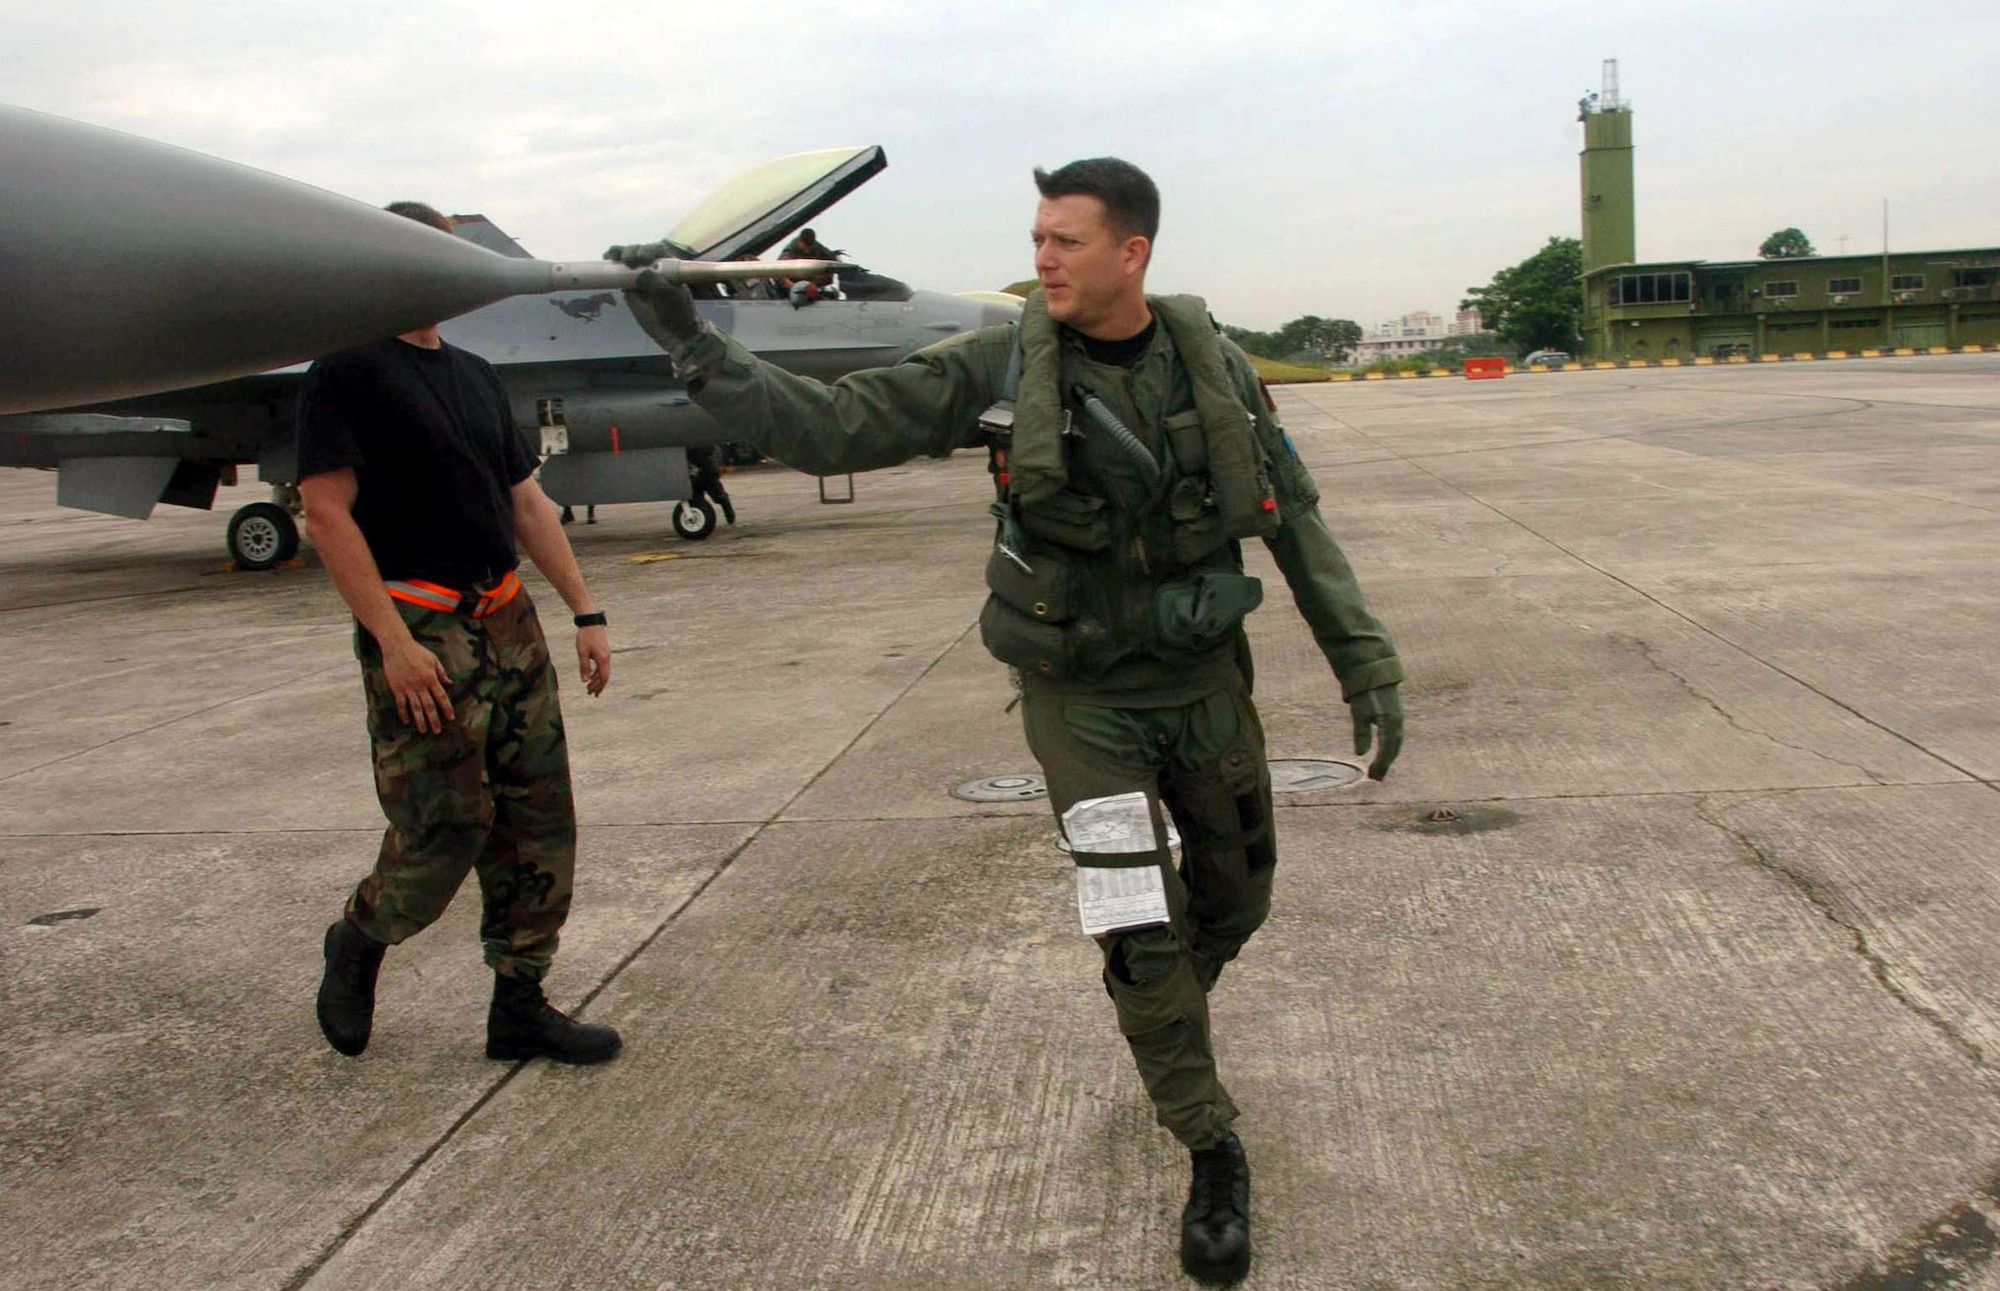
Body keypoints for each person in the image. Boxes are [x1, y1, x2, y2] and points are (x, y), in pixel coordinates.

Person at [617, 159, 1403, 1283]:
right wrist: (695, 344)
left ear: (1130, 252)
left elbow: (1297, 523)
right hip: (1080, 701)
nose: (1040, 260)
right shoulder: (999, 360)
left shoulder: (1213, 365)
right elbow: (833, 426)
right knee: (1136, 920)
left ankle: (1161, 1013)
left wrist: (1363, 664)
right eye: (1036, 239)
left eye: (1065, 243)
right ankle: (1207, 1140)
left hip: (1200, 685)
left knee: (1235, 898)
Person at [297, 200, 622, 1067]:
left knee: (539, 818)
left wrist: (584, 612)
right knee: (444, 826)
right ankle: (361, 936)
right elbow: (327, 514)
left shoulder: (477, 375)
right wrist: (394, 642)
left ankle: (520, 1002)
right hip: (421, 624)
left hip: (506, 620)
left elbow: (526, 503)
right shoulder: (345, 372)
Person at [687, 443, 736, 525]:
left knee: (718, 495)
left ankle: (726, 506)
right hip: (694, 468)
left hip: (707, 468)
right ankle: (699, 518)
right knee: (694, 498)